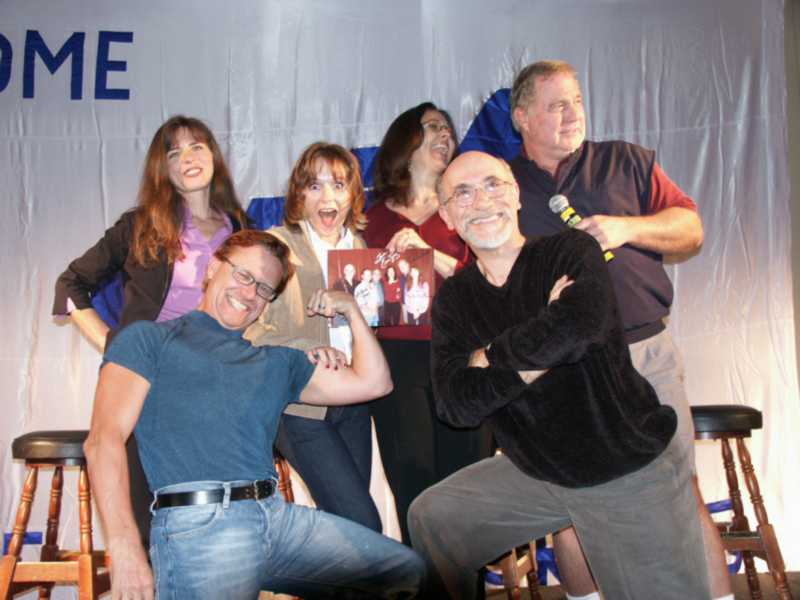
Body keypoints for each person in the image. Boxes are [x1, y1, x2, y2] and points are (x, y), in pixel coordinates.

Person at [408, 150, 710, 599]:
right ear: (448, 216)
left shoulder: (570, 250)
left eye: (492, 185)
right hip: (539, 471)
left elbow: (580, 327)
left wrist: (489, 355)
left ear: (515, 195)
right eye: (463, 193)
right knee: (434, 515)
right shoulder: (455, 298)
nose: (481, 200)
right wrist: (540, 345)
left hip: (621, 462)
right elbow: (455, 404)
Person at [84, 229, 424, 600]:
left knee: (406, 572)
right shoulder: (148, 340)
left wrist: (352, 310)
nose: (250, 294)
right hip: (201, 525)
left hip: (276, 518)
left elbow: (375, 383)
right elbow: (103, 441)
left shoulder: (275, 361)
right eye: (243, 275)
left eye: (264, 289)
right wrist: (124, 546)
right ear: (213, 266)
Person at [508, 60, 730, 600]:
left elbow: (690, 228)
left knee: (680, 487)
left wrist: (625, 228)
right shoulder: (503, 185)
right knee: (570, 500)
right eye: (556, 105)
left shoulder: (625, 161)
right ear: (522, 118)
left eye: (577, 101)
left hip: (643, 351)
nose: (572, 114)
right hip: (563, 370)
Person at [53, 114, 249, 545]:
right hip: (149, 378)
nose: (187, 158)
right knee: (145, 511)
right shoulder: (140, 224)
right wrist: (117, 345)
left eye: (196, 147)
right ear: (164, 169)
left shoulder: (239, 226)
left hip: (217, 380)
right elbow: (70, 284)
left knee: (209, 515)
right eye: (174, 153)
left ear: (213, 155)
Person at [363, 102, 494, 544]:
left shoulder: (468, 208)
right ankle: (426, 577)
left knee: (468, 483)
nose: (445, 135)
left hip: (463, 356)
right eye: (433, 126)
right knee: (414, 484)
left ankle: (466, 580)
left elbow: (493, 282)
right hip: (397, 360)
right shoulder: (370, 219)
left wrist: (429, 255)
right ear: (406, 141)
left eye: (448, 129)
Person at [244, 143, 381, 532]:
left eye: (338, 185)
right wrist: (305, 347)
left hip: (353, 401)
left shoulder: (360, 248)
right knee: (361, 521)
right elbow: (250, 328)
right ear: (299, 195)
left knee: (350, 528)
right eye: (314, 186)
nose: (327, 197)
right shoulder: (274, 246)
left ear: (353, 193)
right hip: (300, 406)